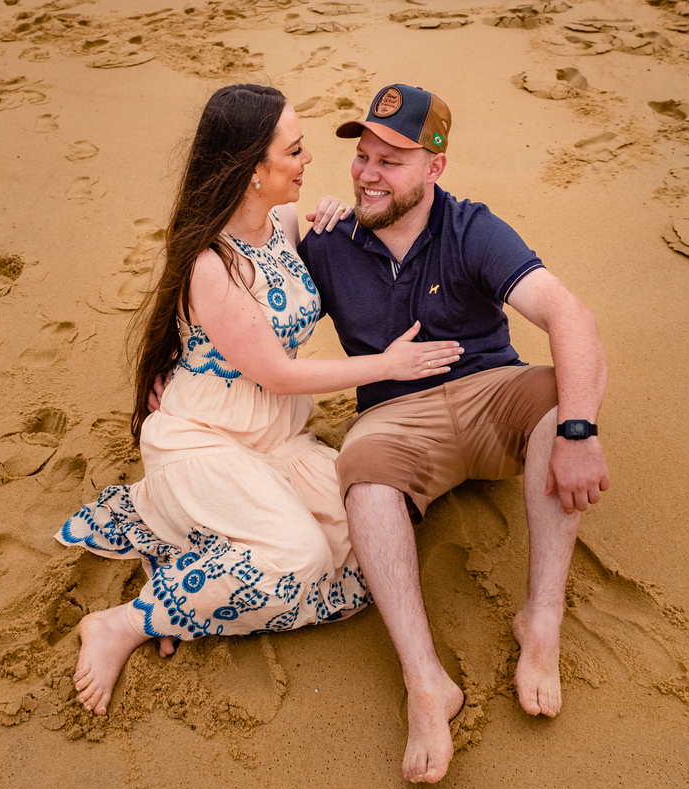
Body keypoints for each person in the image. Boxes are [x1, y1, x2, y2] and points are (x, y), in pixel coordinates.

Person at [55, 84, 463, 718]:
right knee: (299, 557)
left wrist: (334, 216)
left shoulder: (285, 224)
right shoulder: (209, 264)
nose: (307, 163)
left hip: (279, 441)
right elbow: (274, 373)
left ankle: (201, 576)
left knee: (365, 543)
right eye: (294, 152)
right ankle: (126, 623)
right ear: (252, 171)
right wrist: (387, 365)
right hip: (208, 440)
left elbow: (304, 283)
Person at [298, 84, 610, 784]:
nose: (368, 174)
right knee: (362, 472)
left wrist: (580, 431)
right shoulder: (329, 239)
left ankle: (541, 620)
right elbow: (237, 267)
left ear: (435, 168)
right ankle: (425, 681)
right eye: (363, 155)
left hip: (492, 397)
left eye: (392, 162)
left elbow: (569, 316)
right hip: (395, 420)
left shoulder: (471, 228)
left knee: (564, 400)